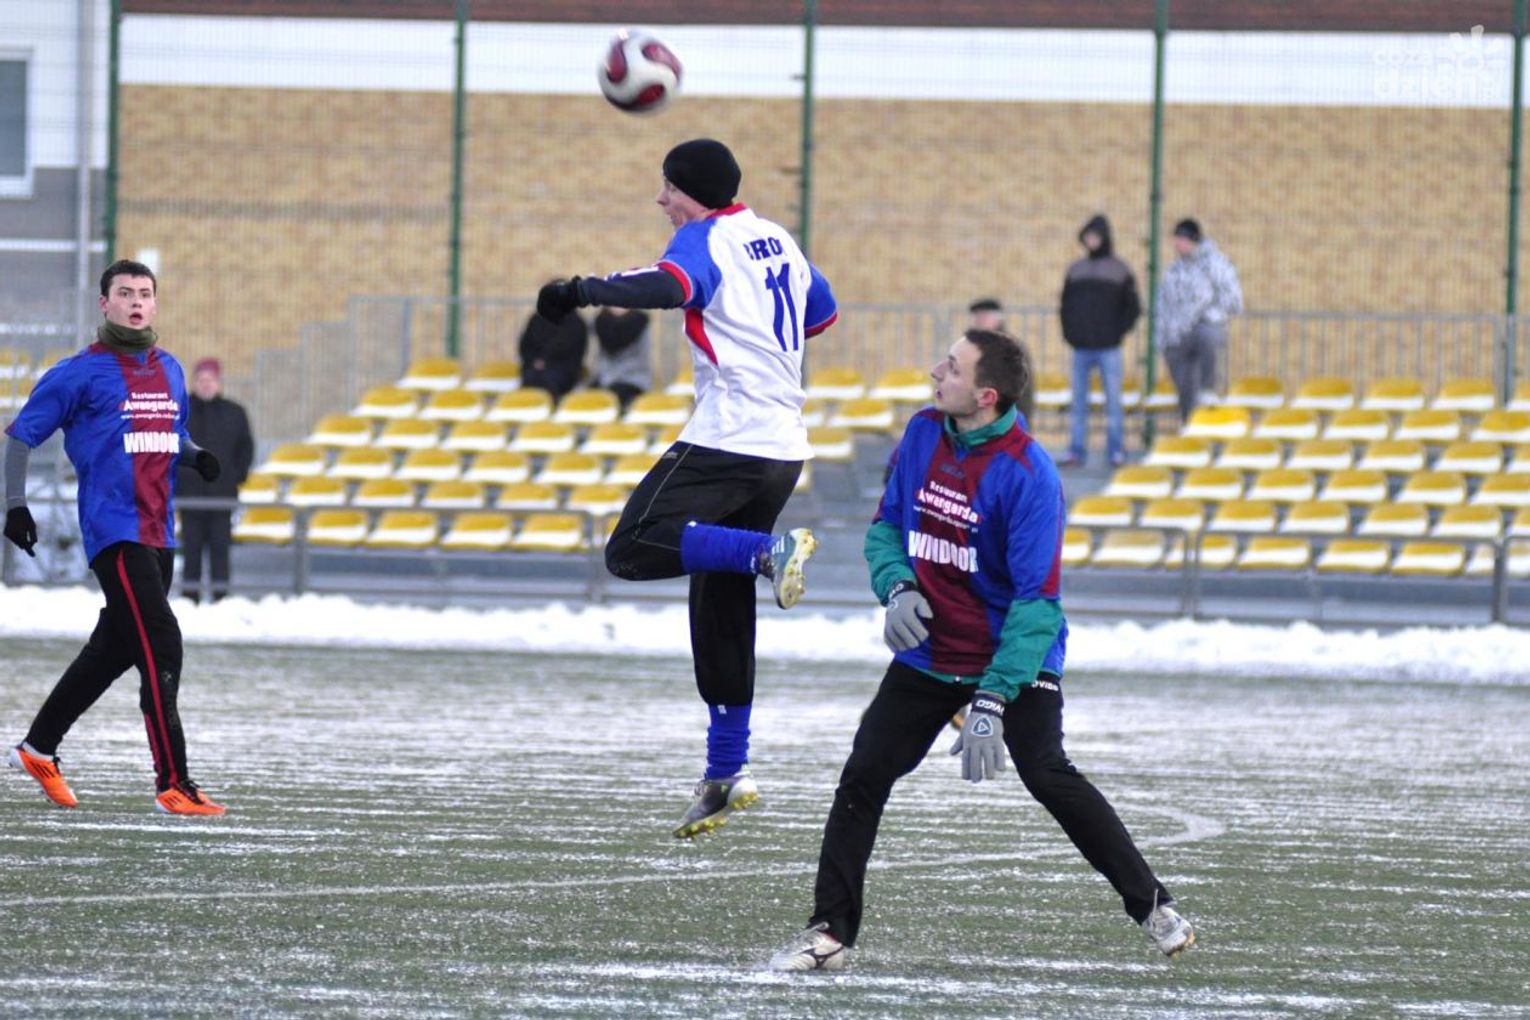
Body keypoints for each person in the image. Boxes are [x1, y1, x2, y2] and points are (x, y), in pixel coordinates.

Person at [768, 329, 1194, 972]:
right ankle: (829, 933)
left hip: (1013, 652)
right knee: (864, 774)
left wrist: (992, 698)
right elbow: (886, 528)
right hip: (931, 652)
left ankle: (1153, 906)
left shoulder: (1029, 475)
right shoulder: (921, 432)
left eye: (952, 367)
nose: (934, 372)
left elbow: (1036, 604)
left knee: (1046, 771)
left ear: (986, 395)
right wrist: (897, 586)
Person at [536, 138, 838, 839]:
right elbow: (820, 313)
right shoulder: (777, 238)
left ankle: (768, 554)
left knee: (633, 547)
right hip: (782, 447)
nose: (661, 199)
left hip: (729, 436)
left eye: (667, 187)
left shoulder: (704, 238)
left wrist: (580, 291)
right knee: (719, 597)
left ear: (691, 192)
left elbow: (671, 285)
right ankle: (726, 772)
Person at [3, 259, 227, 816]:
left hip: (159, 529)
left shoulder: (170, 368)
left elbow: (170, 431)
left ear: (154, 303)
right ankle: (174, 782)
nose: (135, 301)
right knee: (162, 642)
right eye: (124, 293)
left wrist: (195, 456)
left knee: (115, 650)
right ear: (105, 304)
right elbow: (20, 437)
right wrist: (15, 505)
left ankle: (38, 748)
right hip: (114, 530)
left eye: (144, 293)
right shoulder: (78, 372)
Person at [1058, 214, 1142, 468]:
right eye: (1088, 236)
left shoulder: (1120, 269)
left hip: (1109, 347)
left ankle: (1116, 450)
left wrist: (1117, 332)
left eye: (1095, 236)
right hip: (1080, 347)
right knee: (1078, 402)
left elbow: (1133, 307)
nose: (1091, 240)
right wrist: (1070, 333)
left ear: (1105, 238)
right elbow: (1065, 305)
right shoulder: (1075, 270)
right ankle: (1076, 450)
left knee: (1113, 401)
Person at [176, 357, 254, 603]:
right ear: (194, 382)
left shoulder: (235, 412)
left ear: (219, 382)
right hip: (189, 496)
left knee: (221, 550)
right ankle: (190, 598)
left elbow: (246, 449)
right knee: (191, 549)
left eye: (211, 379)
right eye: (201, 379)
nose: (206, 384)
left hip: (222, 495)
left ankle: (221, 599)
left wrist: (235, 476)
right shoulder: (180, 412)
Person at [1157, 218, 1243, 423]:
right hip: (1178, 335)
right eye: (1176, 239)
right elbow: (1164, 305)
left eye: (1181, 239)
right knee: (1185, 388)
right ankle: (1189, 423)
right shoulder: (1174, 270)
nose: (1177, 243)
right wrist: (1161, 336)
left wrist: (1207, 313)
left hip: (1204, 326)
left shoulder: (1216, 264)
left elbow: (1234, 300)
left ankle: (1208, 388)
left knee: (1207, 336)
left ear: (1192, 240)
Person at [968, 298, 1035, 425]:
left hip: (1005, 417)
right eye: (976, 316)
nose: (978, 320)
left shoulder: (1011, 348)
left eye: (984, 316)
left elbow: (1021, 390)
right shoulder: (968, 347)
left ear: (998, 319)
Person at [518, 297, 589, 399]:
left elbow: (571, 353)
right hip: (533, 369)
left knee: (546, 381)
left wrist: (545, 362)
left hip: (561, 372)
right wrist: (535, 362)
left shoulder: (576, 323)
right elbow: (525, 346)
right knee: (529, 382)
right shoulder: (537, 319)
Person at [592, 306, 653, 412]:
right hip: (605, 380)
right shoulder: (601, 322)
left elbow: (641, 361)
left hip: (633, 381)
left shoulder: (640, 322)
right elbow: (599, 359)